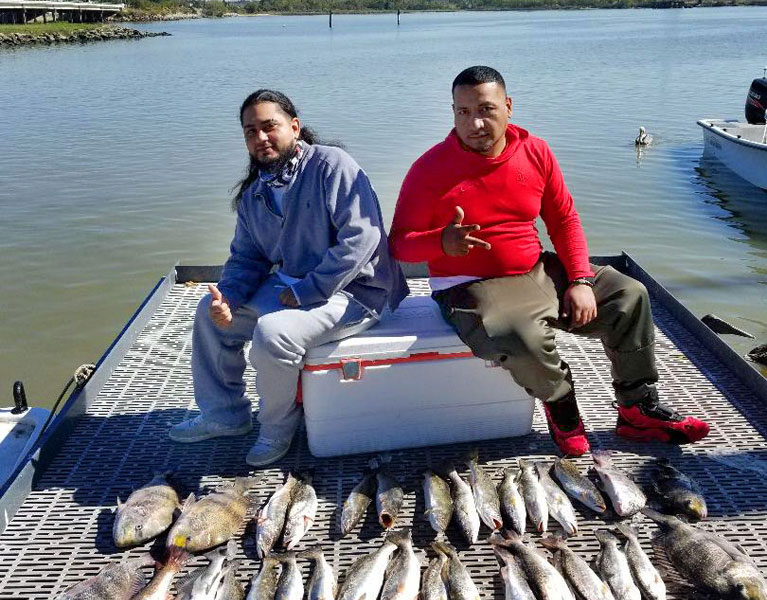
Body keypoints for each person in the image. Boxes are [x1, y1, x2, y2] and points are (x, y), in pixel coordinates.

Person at [389, 65, 708, 456]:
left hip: (537, 269)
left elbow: (564, 220)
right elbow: (400, 246)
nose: (474, 122)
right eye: (462, 111)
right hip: (467, 285)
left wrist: (579, 280)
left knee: (630, 295)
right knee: (518, 332)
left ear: (508, 106)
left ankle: (637, 411)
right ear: (452, 112)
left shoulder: (535, 151)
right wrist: (440, 242)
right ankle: (565, 413)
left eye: (486, 109)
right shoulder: (429, 169)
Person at [170, 89, 408, 466]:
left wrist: (308, 290)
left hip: (357, 291)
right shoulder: (254, 195)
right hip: (294, 287)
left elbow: (363, 237)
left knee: (273, 333)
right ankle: (224, 416)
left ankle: (277, 427)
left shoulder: (332, 166)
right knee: (207, 315)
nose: (261, 138)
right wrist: (227, 300)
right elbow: (247, 258)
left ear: (294, 127)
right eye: (251, 131)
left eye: (270, 127)